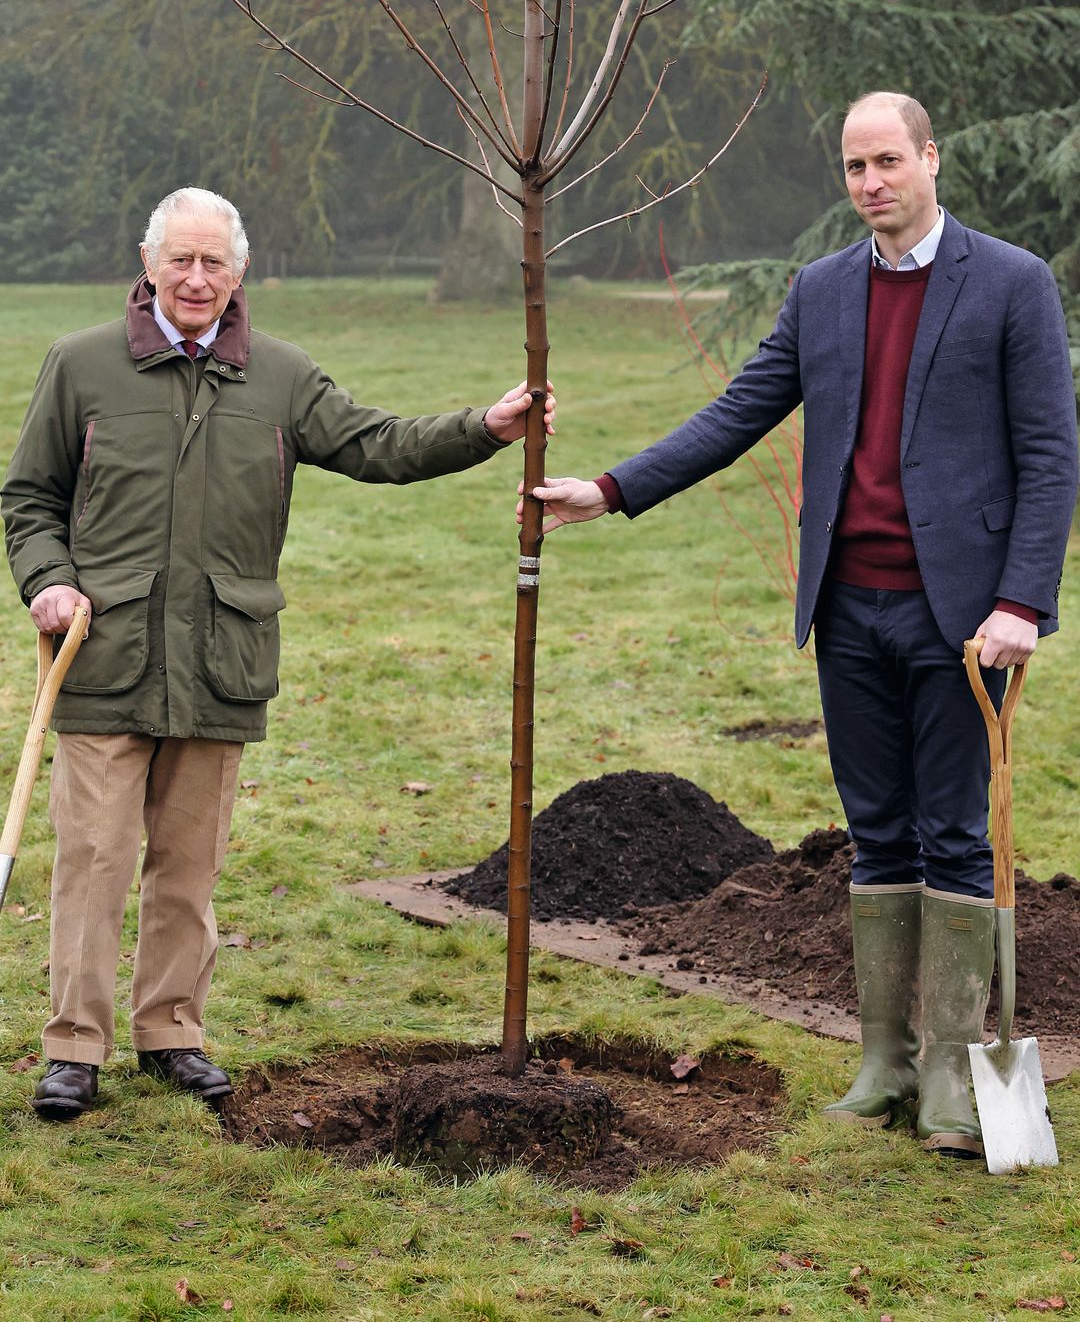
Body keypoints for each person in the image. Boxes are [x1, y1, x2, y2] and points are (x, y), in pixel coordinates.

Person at [530, 92, 1077, 1160]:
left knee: (954, 832)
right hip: (848, 607)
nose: (870, 182)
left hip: (965, 620)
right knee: (875, 830)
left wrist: (1022, 603)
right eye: (853, 167)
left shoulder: (1012, 284)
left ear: (930, 157)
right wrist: (612, 487)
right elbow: (741, 412)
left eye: (887, 160)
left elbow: (1051, 455)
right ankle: (885, 1063)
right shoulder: (824, 291)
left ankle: (960, 1079)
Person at [2, 186, 553, 1122]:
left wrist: (484, 429)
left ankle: (171, 1032)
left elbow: (377, 444)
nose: (196, 277)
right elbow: (28, 499)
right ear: (147, 264)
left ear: (241, 272)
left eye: (214, 261)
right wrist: (47, 578)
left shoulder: (281, 377)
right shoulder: (82, 367)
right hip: (104, 660)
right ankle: (73, 1049)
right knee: (93, 859)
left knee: (189, 864)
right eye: (179, 259)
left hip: (223, 660)